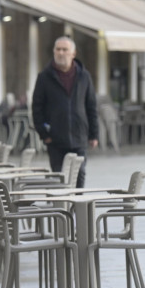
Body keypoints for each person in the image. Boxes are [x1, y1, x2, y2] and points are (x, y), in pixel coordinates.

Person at [32, 36, 98, 188]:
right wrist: (44, 134)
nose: (61, 53)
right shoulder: (44, 77)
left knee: (80, 173)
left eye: (65, 49)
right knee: (59, 177)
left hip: (79, 136)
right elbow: (37, 108)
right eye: (58, 49)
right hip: (55, 138)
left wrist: (94, 134)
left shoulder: (84, 76)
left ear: (73, 53)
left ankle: (78, 209)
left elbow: (91, 106)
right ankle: (63, 210)